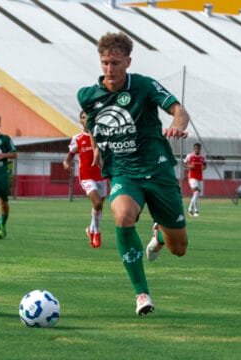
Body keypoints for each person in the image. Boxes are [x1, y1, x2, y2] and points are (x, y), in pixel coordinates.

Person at [77, 32, 190, 316]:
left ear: (128, 61)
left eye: (115, 62)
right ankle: (142, 294)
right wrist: (95, 147)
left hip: (158, 170)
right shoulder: (88, 96)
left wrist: (176, 124)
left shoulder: (143, 85)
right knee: (122, 216)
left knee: (179, 248)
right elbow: (93, 124)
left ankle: (160, 234)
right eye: (104, 62)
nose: (109, 69)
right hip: (124, 173)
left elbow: (179, 110)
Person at [63, 111, 107, 248]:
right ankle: (97, 232)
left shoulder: (101, 136)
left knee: (98, 207)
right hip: (86, 177)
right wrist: (66, 163)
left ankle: (91, 229)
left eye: (88, 116)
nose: (86, 119)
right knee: (98, 203)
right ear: (80, 121)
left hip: (101, 176)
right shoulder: (78, 138)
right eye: (83, 117)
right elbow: (70, 155)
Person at [183, 143, 206, 217]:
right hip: (192, 177)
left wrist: (204, 168)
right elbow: (184, 163)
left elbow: (205, 165)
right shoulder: (190, 156)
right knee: (196, 192)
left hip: (200, 177)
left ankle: (196, 211)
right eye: (196, 148)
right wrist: (189, 166)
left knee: (197, 194)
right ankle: (190, 209)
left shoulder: (202, 157)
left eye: (198, 148)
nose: (197, 149)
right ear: (194, 149)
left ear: (200, 149)